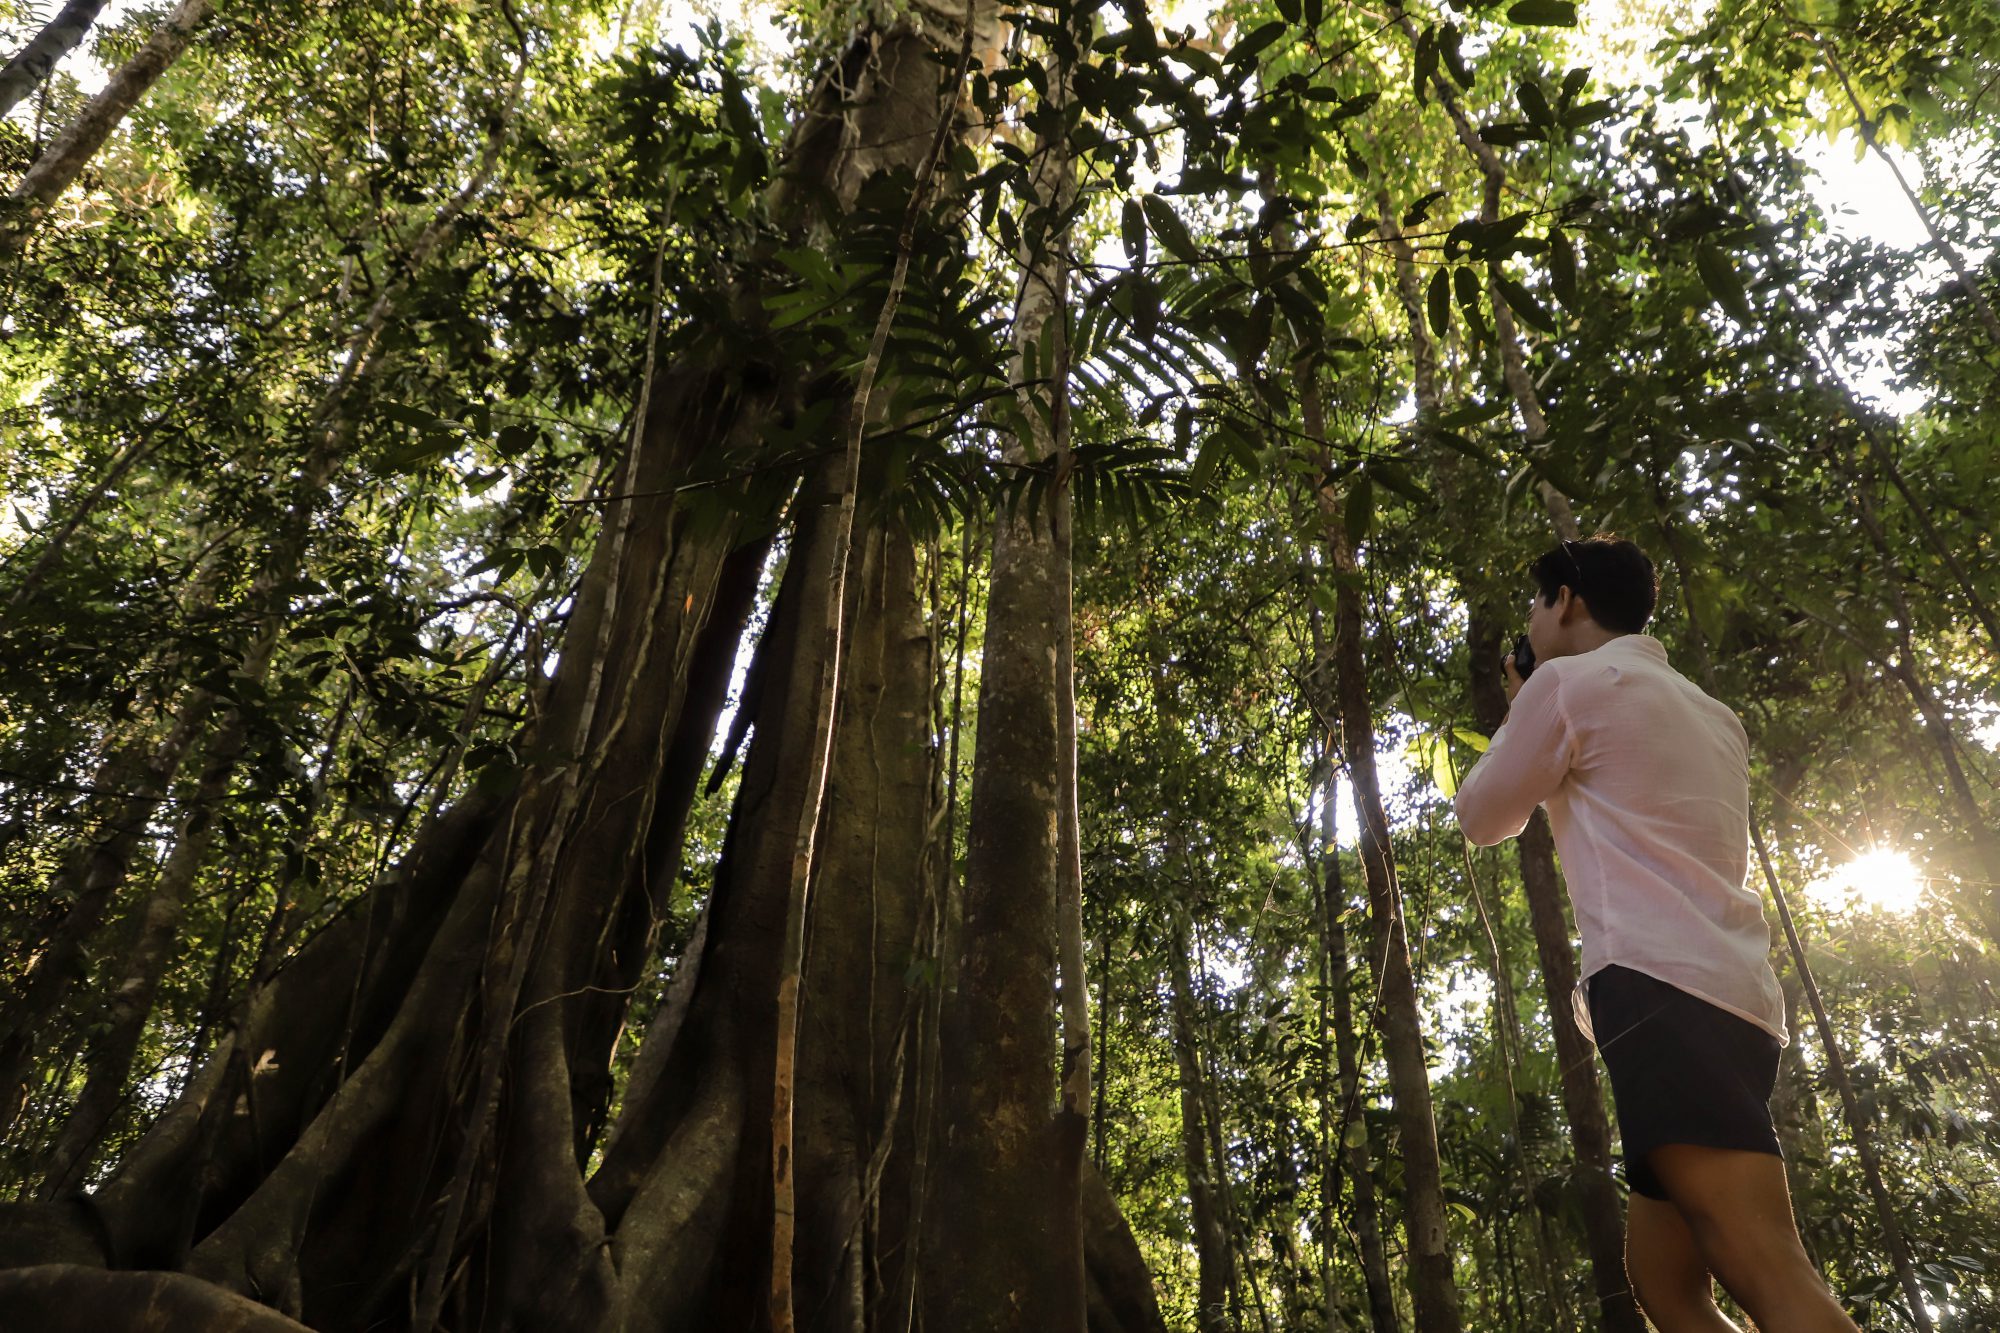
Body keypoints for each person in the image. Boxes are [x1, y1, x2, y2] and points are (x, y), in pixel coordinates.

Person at [1453, 535, 1859, 1333]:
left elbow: (1482, 815)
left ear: (1565, 598)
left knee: (1764, 1263)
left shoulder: (1566, 684)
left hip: (1658, 992)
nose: (1532, 620)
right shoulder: (1714, 713)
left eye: (1537, 602)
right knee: (1665, 1281)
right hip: (1736, 1002)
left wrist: (1518, 709)